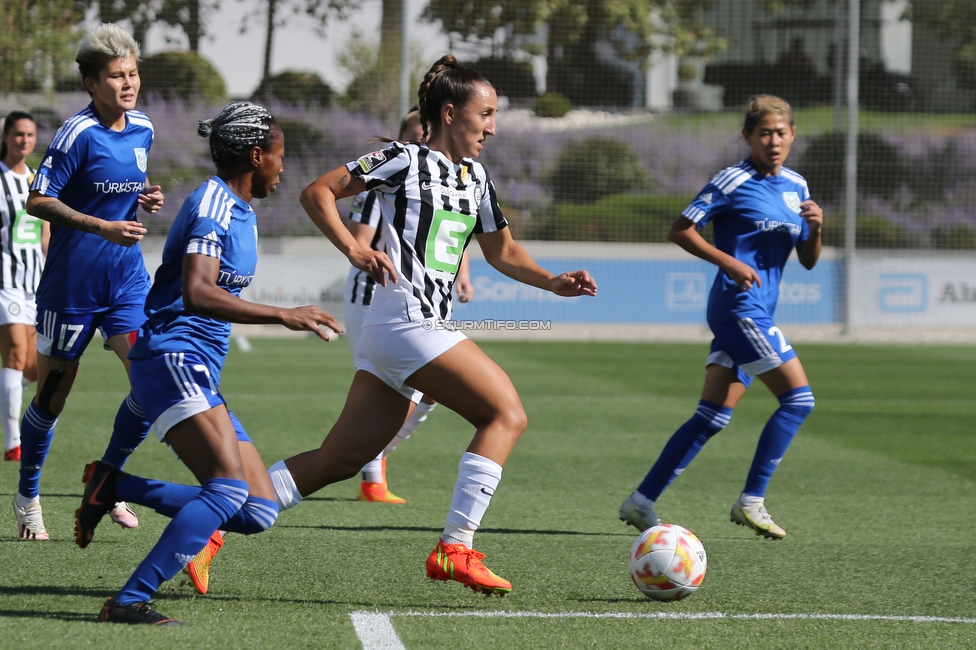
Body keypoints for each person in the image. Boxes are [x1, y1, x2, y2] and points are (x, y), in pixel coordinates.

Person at [263, 54, 596, 596]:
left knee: (338, 460)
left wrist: (553, 282)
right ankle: (455, 548)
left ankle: (206, 528)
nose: (492, 127)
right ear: (448, 112)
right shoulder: (401, 159)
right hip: (406, 321)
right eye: (484, 113)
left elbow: (503, 251)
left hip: (402, 331)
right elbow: (317, 192)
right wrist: (353, 247)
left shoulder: (477, 178)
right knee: (506, 413)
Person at [74, 100, 341, 625]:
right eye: (279, 157)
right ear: (256, 154)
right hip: (172, 358)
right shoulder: (213, 204)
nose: (283, 169)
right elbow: (197, 293)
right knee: (225, 489)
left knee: (258, 509)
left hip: (194, 371)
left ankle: (114, 485)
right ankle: (128, 600)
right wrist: (281, 314)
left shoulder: (240, 210)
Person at [619, 94, 822, 540]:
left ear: (792, 136)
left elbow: (808, 260)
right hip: (737, 307)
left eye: (781, 133)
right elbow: (681, 229)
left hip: (758, 310)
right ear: (748, 136)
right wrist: (727, 262)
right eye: (764, 132)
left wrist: (817, 227)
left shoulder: (797, 186)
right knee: (799, 400)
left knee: (712, 416)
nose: (773, 140)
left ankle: (641, 501)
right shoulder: (732, 181)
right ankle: (752, 501)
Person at [15, 23, 165, 541]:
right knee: (52, 399)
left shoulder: (143, 127)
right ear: (90, 83)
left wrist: (142, 197)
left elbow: (118, 185)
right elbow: (38, 199)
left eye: (132, 73)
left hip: (126, 283)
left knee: (151, 383)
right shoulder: (75, 134)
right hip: (72, 289)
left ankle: (107, 478)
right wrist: (102, 225)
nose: (128, 84)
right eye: (116, 76)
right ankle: (28, 495)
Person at [347, 109, 474, 504]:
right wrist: (372, 256)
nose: (423, 137)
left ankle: (372, 458)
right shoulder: (387, 182)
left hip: (423, 303)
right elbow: (360, 239)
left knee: (427, 395)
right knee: (391, 393)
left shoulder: (452, 180)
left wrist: (462, 275)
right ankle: (371, 474)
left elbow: (452, 236)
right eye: (415, 132)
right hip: (378, 296)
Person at [0, 111, 49, 462]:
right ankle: (13, 444)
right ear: (6, 137)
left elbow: (45, 235)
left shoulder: (36, 181)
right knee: (16, 355)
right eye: (18, 134)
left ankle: (8, 396)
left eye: (30, 135)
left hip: (35, 286)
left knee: (33, 370)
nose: (25, 140)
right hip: (5, 283)